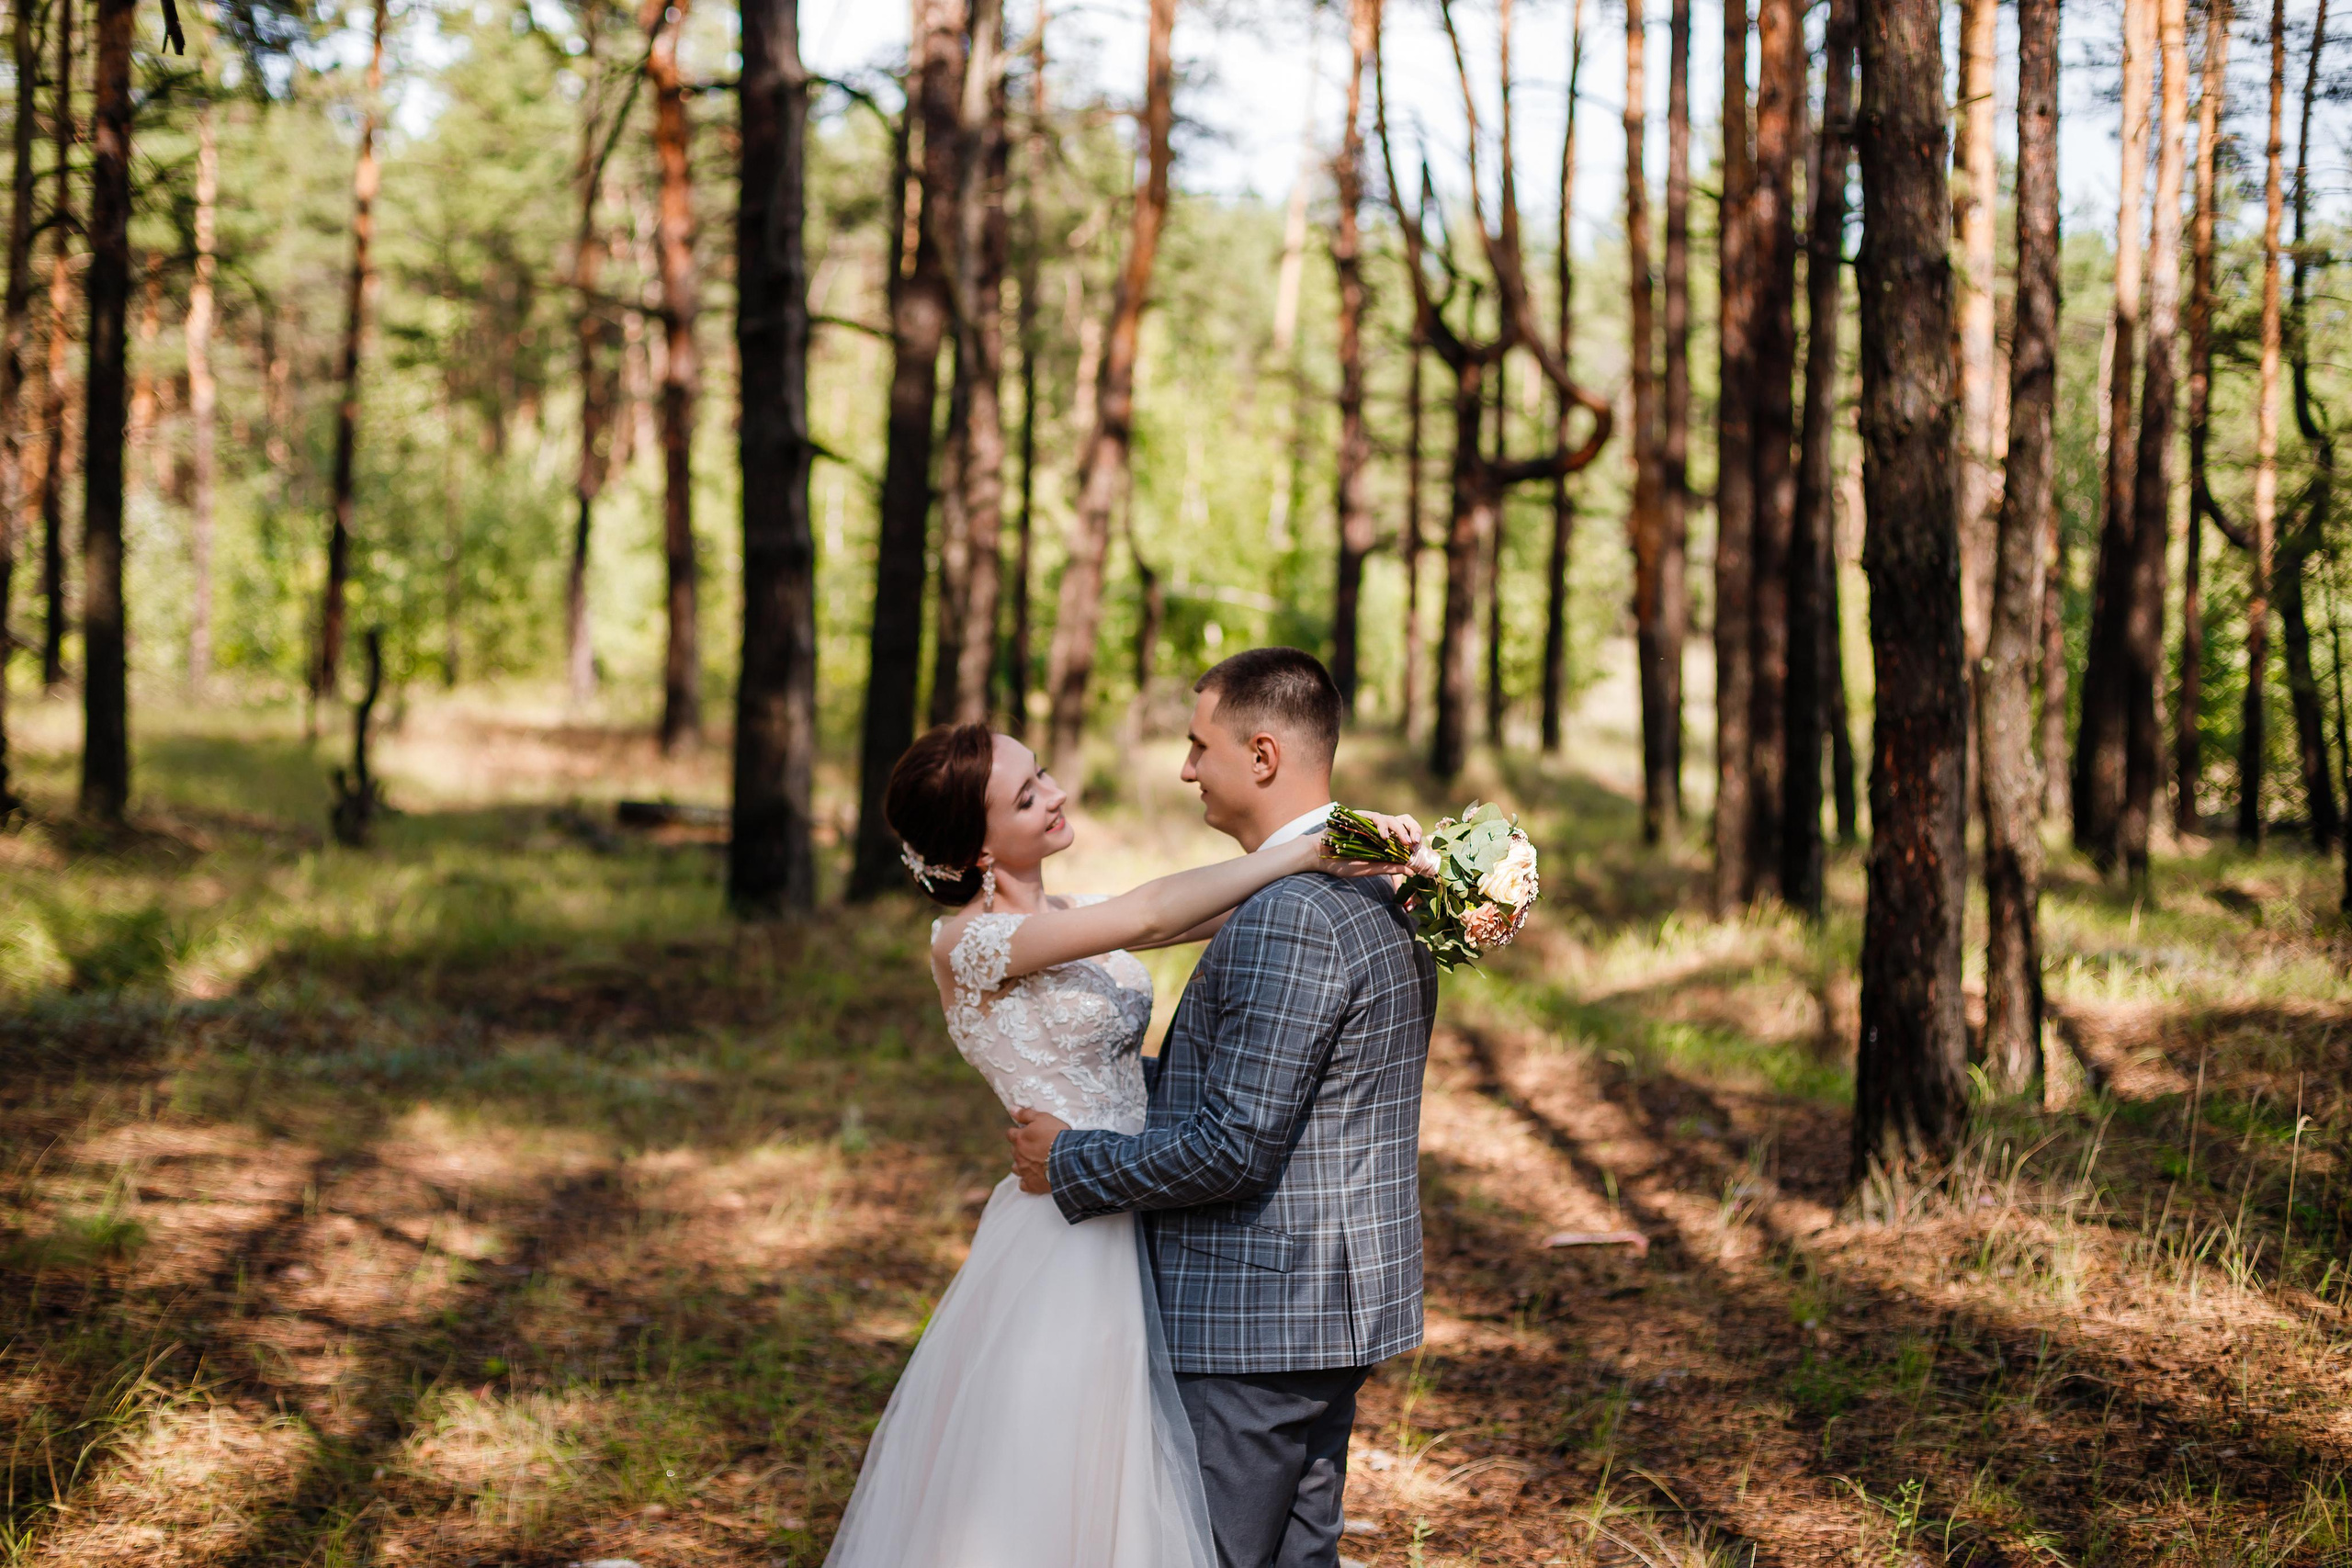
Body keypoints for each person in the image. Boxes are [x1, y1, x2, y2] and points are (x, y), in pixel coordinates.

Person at [820, 668, 1419, 1568]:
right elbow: (1152, 911)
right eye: (1026, 797)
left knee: (1146, 1487)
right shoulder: (970, 944)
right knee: (1055, 1478)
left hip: (1146, 1202)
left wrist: (1356, 857)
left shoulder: (1071, 912)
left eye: (1043, 773)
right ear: (979, 847)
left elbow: (1201, 910)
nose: (1055, 794)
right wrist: (1308, 849)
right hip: (1071, 1223)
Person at [1010, 647, 1441, 1568]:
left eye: (1198, 746)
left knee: (1203, 1553)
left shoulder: (1293, 910)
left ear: (1262, 755)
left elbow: (1230, 1147)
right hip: (1330, 1312)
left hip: (1255, 1321)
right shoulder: (1378, 885)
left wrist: (1069, 1159)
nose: (1184, 768)